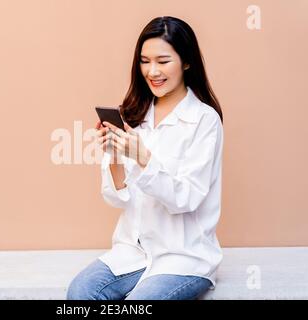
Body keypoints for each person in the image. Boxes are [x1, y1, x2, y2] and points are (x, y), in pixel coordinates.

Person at [67, 16, 224, 300]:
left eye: (163, 61)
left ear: (186, 62)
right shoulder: (134, 114)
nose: (152, 71)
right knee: (80, 292)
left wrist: (143, 157)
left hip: (183, 257)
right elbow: (118, 199)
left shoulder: (204, 120)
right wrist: (114, 154)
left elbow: (186, 198)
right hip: (133, 252)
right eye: (144, 61)